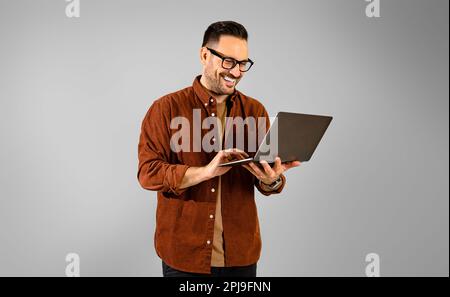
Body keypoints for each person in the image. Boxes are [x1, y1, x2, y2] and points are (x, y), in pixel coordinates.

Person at [137, 21, 300, 277]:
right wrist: (205, 172)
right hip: (184, 257)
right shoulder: (165, 108)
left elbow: (266, 181)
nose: (236, 72)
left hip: (241, 255)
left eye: (243, 63)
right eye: (228, 61)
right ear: (204, 55)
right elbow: (148, 173)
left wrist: (272, 179)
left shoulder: (255, 111)